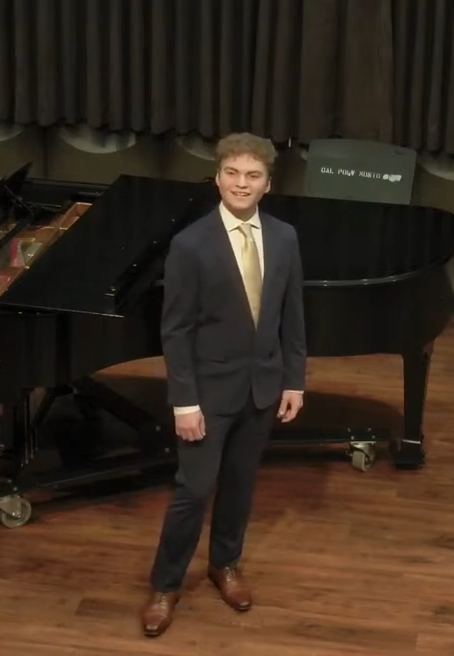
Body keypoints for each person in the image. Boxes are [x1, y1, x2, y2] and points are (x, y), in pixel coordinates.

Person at [140, 132, 307, 637]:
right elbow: (176, 329)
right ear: (217, 178)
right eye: (232, 173)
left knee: (240, 485)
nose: (241, 183)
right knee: (193, 490)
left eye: (252, 175)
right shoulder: (190, 245)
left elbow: (292, 316)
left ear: (267, 183)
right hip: (208, 395)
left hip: (263, 388)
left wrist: (294, 381)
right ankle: (166, 586)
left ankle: (225, 564)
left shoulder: (284, 237)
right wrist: (184, 401)